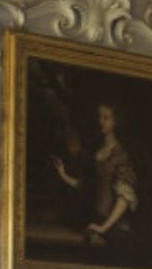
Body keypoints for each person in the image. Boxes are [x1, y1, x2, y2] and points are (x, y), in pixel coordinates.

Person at [53, 100, 139, 249]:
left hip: (113, 225)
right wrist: (63, 175)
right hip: (95, 220)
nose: (101, 121)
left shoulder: (121, 156)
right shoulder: (96, 152)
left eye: (106, 118)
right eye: (99, 117)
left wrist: (104, 228)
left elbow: (124, 198)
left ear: (116, 121)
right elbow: (87, 186)